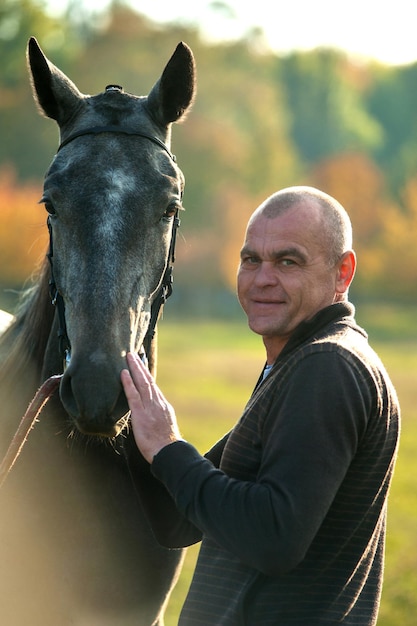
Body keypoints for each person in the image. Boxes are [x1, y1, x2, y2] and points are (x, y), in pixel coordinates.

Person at [121, 186, 400, 625]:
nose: (262, 278)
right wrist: (121, 418)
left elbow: (273, 536)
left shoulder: (327, 366)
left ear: (342, 272)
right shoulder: (296, 365)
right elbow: (179, 520)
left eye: (288, 261)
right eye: (251, 259)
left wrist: (168, 449)